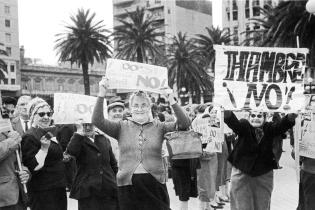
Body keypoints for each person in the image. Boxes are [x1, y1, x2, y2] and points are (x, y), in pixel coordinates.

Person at [92, 78, 191, 210]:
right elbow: (97, 120)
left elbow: (184, 123)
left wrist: (172, 99)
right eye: (136, 105)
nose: (140, 109)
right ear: (130, 108)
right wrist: (101, 93)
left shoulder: (160, 127)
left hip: (155, 184)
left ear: (149, 107)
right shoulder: (120, 127)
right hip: (127, 186)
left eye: (144, 105)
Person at [224, 110, 297, 210]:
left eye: (259, 115)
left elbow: (280, 126)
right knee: (241, 204)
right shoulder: (244, 125)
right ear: (249, 117)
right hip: (242, 173)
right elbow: (235, 124)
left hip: (263, 174)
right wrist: (227, 113)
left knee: (262, 204)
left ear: (265, 118)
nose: (256, 118)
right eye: (253, 115)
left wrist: (290, 117)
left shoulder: (269, 127)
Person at [21, 97, 67, 210]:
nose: (46, 117)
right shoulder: (29, 136)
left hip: (58, 188)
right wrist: (43, 149)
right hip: (42, 192)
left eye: (49, 113)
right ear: (33, 116)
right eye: (41, 114)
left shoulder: (49, 131)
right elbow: (34, 166)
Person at [66, 122, 118, 210]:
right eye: (84, 125)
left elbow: (113, 164)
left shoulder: (104, 139)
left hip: (108, 188)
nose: (87, 127)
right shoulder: (78, 139)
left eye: (90, 124)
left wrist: (116, 181)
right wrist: (78, 134)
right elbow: (71, 152)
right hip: (87, 190)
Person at [0, 116, 30, 210]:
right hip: (3, 198)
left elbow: (17, 161)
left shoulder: (6, 127)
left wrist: (25, 172)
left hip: (18, 195)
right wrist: (12, 141)